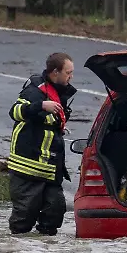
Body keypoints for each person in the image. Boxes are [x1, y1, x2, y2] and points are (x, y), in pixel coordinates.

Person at [7, 52, 78, 236]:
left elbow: (48, 124)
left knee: (55, 210)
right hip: (28, 168)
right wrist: (40, 106)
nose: (71, 77)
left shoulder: (58, 92)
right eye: (68, 72)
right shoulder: (34, 90)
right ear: (55, 72)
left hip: (50, 169)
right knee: (24, 216)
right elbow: (15, 112)